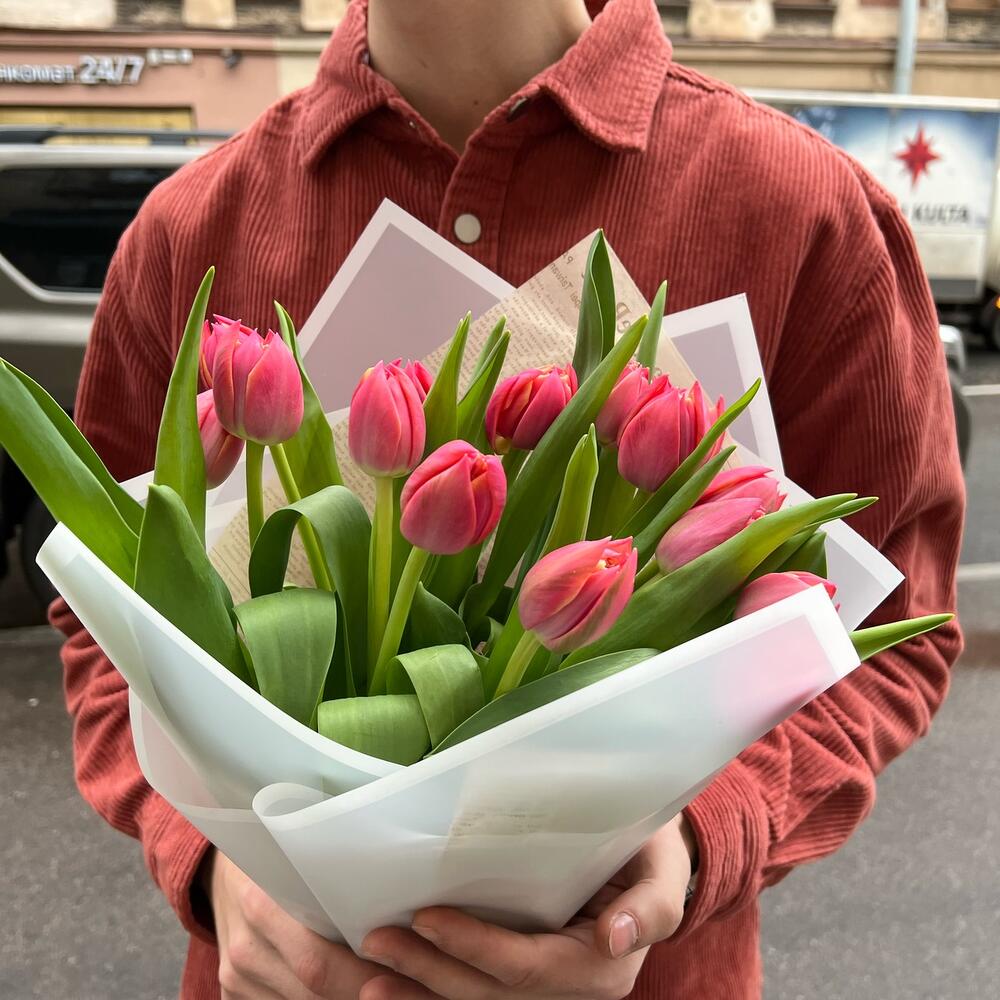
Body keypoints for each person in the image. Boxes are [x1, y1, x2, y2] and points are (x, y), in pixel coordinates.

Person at [51, 0, 964, 997]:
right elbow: (106, 627)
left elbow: (891, 632)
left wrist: (696, 839)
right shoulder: (191, 227)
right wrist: (213, 862)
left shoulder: (803, 212)